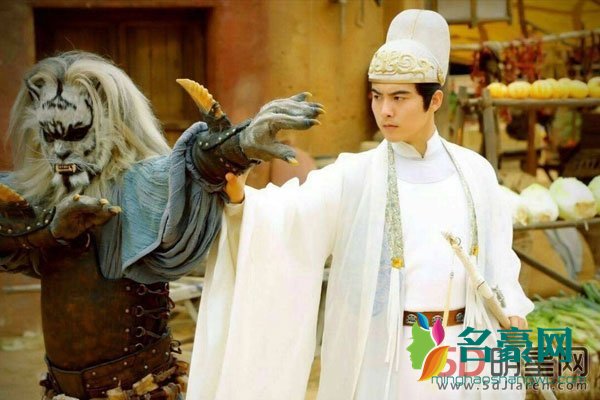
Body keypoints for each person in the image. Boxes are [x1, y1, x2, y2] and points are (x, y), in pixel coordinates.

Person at [188, 9, 533, 400]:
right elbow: (291, 218)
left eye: (399, 98)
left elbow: (499, 258)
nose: (385, 110)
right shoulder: (355, 174)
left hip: (466, 351)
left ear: (434, 100)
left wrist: (512, 306)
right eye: (377, 96)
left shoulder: (475, 172)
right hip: (386, 358)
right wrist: (241, 199)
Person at [0, 51, 321, 400]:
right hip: (61, 389)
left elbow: (190, 168)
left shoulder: (139, 184)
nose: (60, 151)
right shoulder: (40, 195)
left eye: (76, 133)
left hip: (141, 388)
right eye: (50, 136)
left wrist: (237, 145)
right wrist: (50, 230)